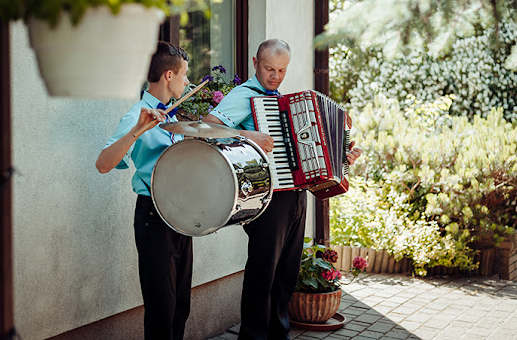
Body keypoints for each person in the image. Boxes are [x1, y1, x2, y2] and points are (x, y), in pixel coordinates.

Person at [202, 38, 362, 339]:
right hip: (268, 199)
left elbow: (308, 152)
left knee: (287, 271)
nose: (275, 76)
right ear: (254, 64)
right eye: (269, 69)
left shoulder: (281, 101)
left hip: (295, 195)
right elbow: (207, 126)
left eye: (282, 70)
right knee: (263, 271)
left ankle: (278, 333)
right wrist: (246, 133)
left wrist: (342, 158)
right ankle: (253, 335)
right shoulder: (244, 96)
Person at [96, 41, 191, 339]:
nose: (187, 82)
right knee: (161, 308)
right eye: (184, 75)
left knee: (180, 306)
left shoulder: (173, 116)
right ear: (168, 76)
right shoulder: (135, 115)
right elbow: (103, 164)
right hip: (154, 217)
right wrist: (138, 130)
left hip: (181, 215)